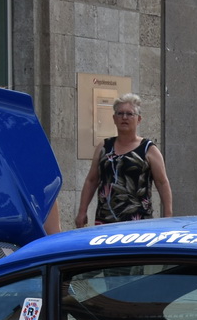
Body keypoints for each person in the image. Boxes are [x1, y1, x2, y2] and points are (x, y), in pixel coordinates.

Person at [73, 93, 173, 225]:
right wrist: (82, 211)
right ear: (114, 118)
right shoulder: (104, 147)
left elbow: (162, 183)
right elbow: (92, 180)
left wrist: (168, 216)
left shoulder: (148, 149)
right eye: (120, 113)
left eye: (130, 114)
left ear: (139, 119)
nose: (124, 117)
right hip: (105, 220)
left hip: (137, 221)